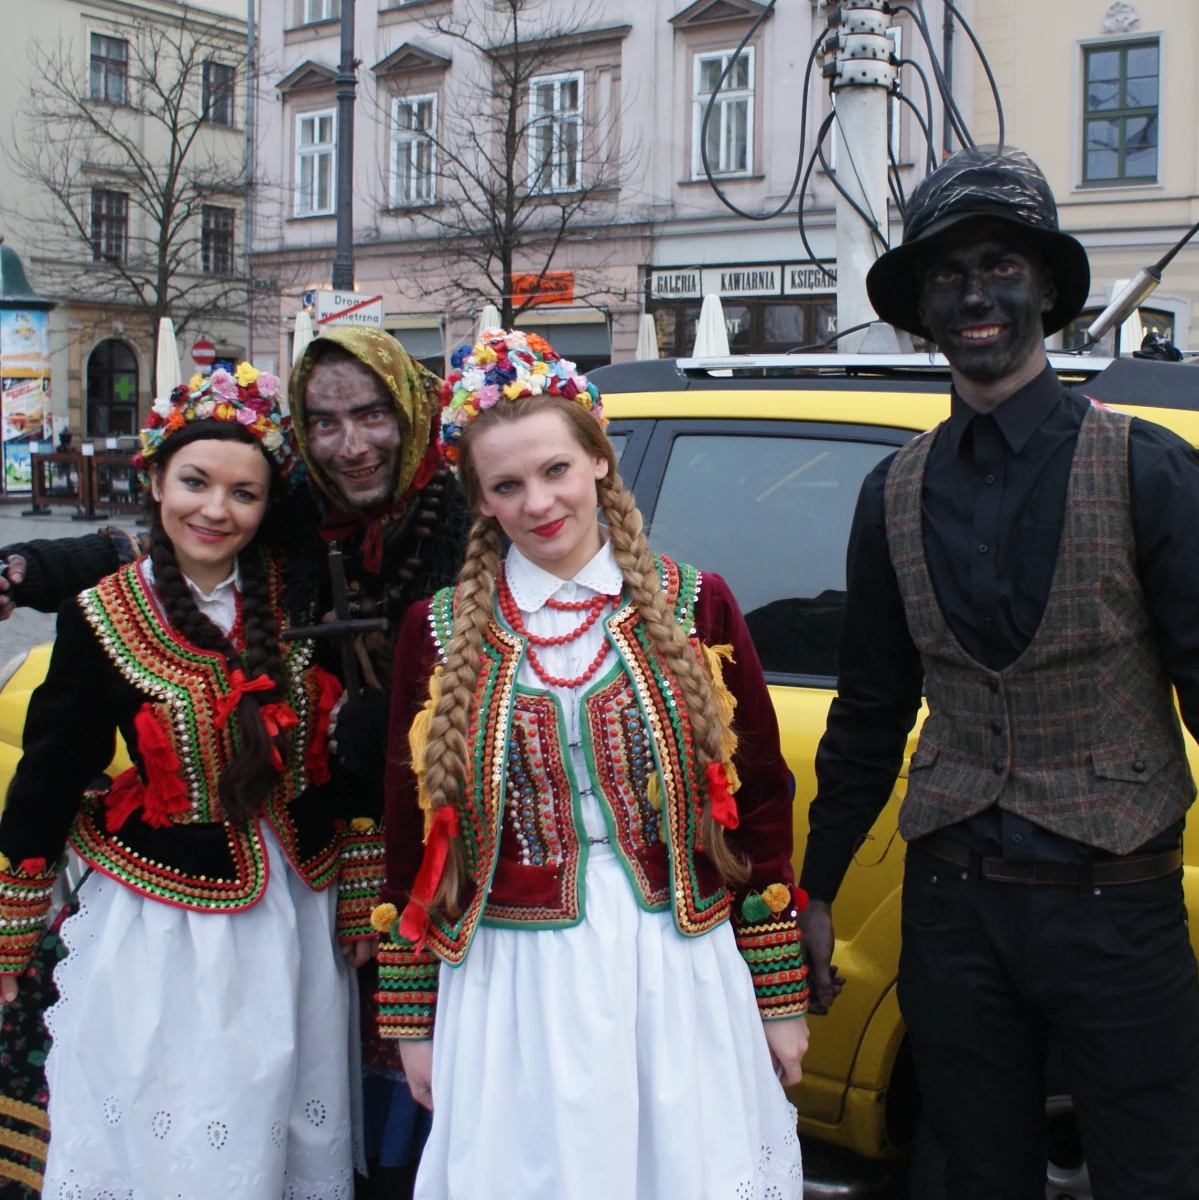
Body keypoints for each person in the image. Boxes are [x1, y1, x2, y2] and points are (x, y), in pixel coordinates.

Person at [800, 145, 1199, 1198]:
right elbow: (869, 709)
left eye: (998, 266)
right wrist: (815, 887)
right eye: (945, 275)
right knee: (976, 1177)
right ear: (923, 309)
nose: (973, 295)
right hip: (951, 908)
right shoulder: (889, 492)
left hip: (1115, 907)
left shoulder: (1148, 469)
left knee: (1151, 1176)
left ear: (1047, 292)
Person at [0, 328, 469, 1191]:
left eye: (243, 494)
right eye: (326, 422)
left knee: (280, 1110)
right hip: (165, 923)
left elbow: (343, 766)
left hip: (302, 913)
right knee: (169, 1107)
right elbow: (50, 769)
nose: (218, 508)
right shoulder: (115, 614)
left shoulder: (321, 577)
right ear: (155, 481)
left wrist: (360, 868)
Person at [372, 330, 809, 1200]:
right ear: (481, 501)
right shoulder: (436, 630)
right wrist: (411, 1021)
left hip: (676, 962)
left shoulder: (696, 604)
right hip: (512, 979)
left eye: (556, 470)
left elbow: (759, 805)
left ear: (599, 463)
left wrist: (778, 993)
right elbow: (406, 835)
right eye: (507, 485)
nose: (538, 502)